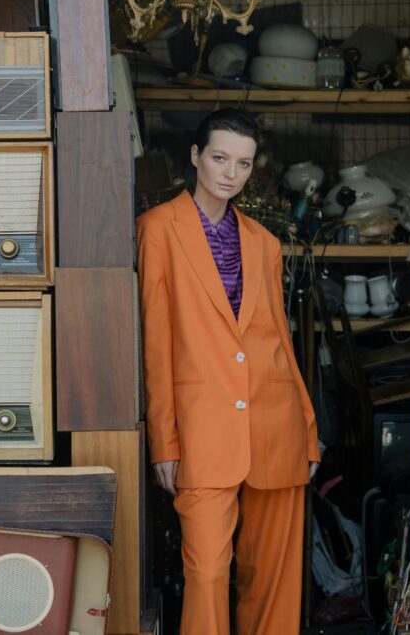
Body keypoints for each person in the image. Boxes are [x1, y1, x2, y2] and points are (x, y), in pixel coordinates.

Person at [136, 108, 321, 635]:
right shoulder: (157, 230)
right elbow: (157, 344)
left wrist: (307, 431)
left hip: (275, 426)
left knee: (273, 579)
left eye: (243, 163)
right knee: (209, 572)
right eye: (220, 158)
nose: (230, 173)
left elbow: (280, 343)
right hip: (203, 431)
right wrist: (164, 442)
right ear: (195, 157)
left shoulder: (264, 243)